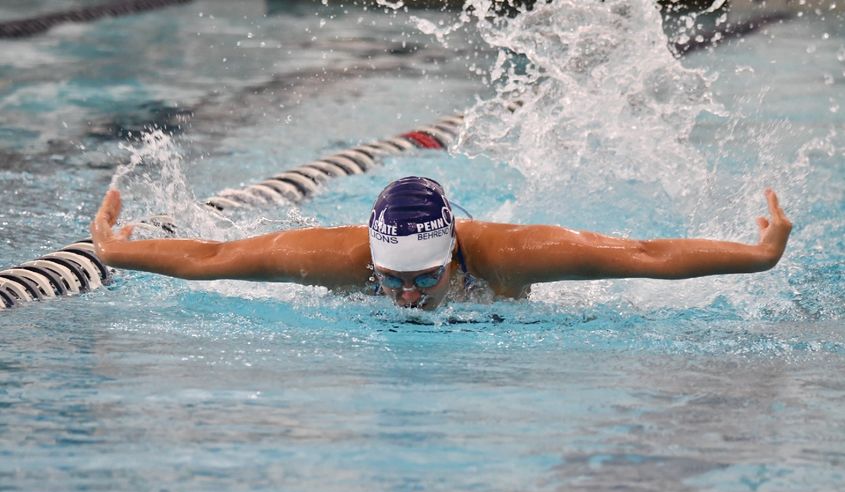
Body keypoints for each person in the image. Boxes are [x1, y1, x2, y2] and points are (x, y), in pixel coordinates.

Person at [91, 176, 792, 310]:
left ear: (453, 254)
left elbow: (641, 257)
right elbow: (215, 260)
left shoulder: (511, 253)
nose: (403, 294)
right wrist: (117, 250)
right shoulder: (339, 257)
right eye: (392, 277)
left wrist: (757, 254)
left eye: (422, 279)